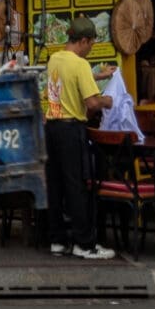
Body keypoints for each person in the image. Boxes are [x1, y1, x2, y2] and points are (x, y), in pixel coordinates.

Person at [43, 21, 115, 261]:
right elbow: (92, 103)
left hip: (51, 127)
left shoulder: (55, 59)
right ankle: (84, 244)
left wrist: (98, 75)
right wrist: (109, 100)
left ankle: (57, 240)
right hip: (71, 130)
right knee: (76, 186)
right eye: (91, 44)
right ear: (83, 41)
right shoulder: (80, 64)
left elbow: (72, 78)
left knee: (56, 185)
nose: (91, 48)